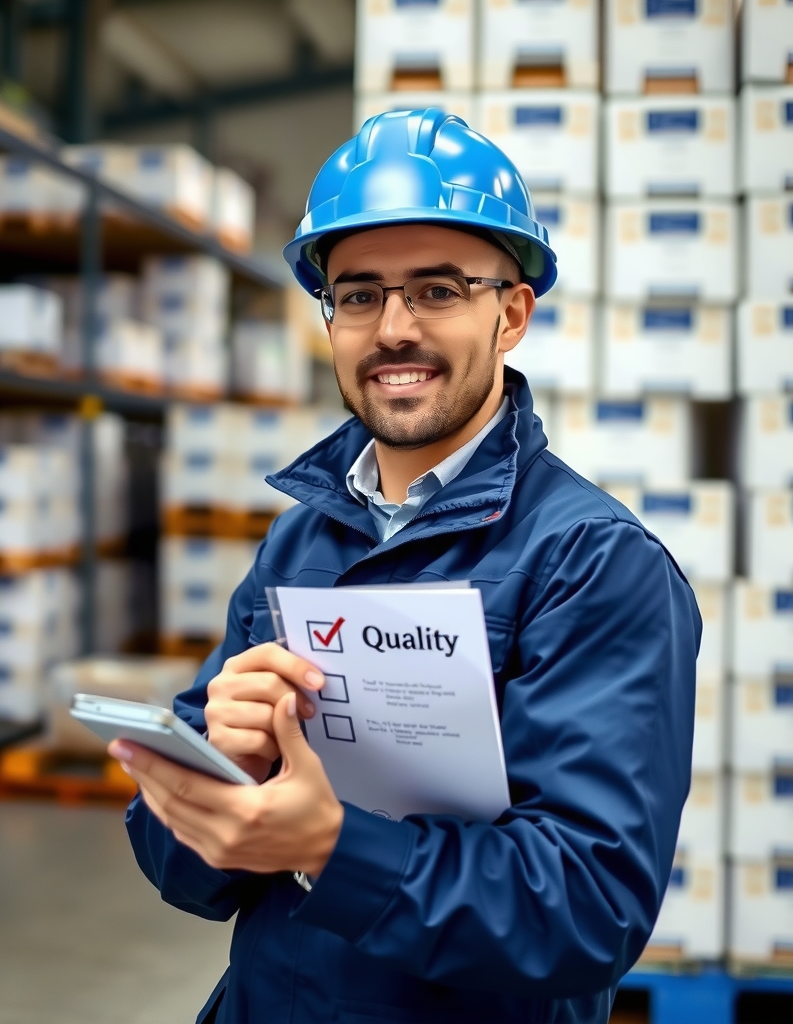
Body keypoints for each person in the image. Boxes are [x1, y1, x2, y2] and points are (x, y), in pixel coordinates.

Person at [110, 108, 700, 1024]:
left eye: (437, 291)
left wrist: (334, 846)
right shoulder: (299, 542)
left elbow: (589, 911)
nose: (392, 329)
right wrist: (214, 777)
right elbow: (186, 875)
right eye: (358, 295)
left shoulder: (594, 564)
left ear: (510, 315)